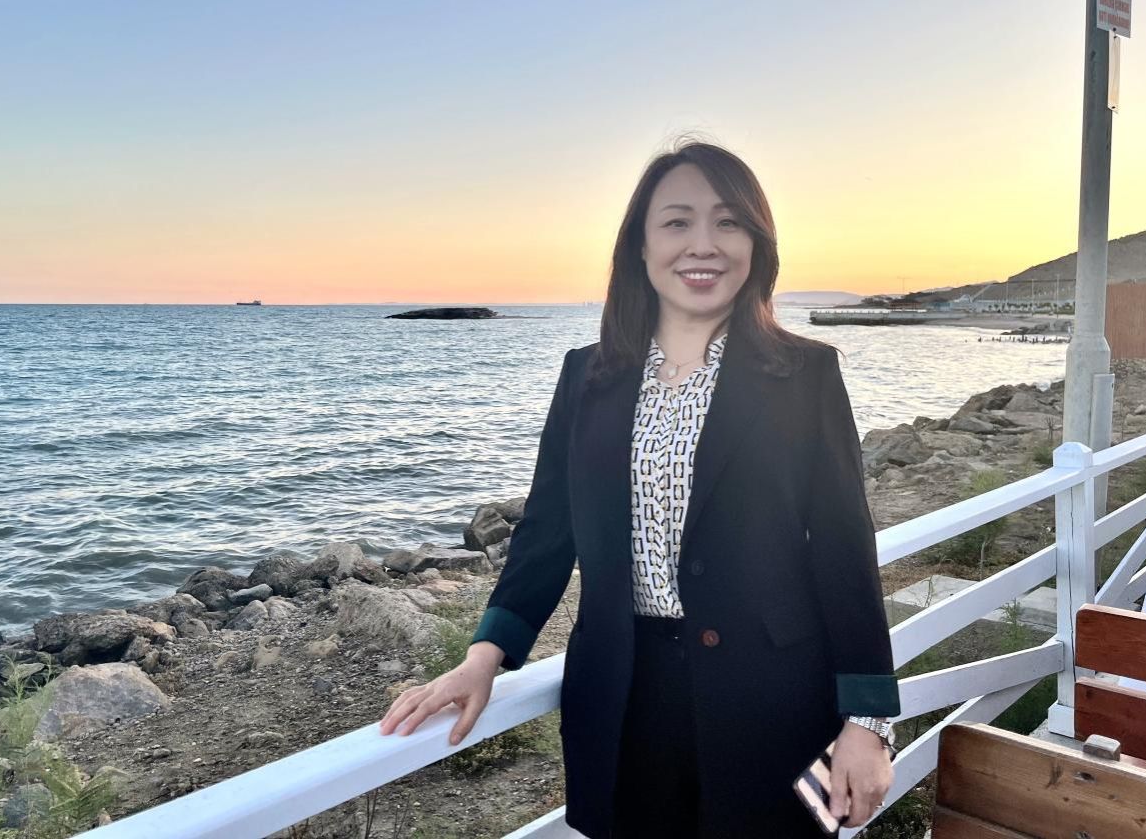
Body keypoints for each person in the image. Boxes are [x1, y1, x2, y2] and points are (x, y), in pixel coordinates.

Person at [380, 141, 900, 837]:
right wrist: (483, 656)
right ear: (641, 245)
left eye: (728, 222)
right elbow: (547, 531)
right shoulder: (586, 377)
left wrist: (867, 718)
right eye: (677, 222)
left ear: (756, 242)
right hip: (620, 694)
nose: (703, 244)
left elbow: (843, 545)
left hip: (772, 696)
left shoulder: (803, 375)